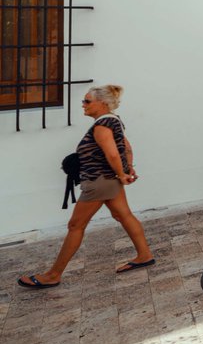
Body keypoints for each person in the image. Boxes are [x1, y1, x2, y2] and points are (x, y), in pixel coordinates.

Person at [18, 85, 155, 289]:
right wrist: (128, 170)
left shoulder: (102, 126)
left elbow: (112, 154)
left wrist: (122, 173)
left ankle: (53, 275)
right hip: (109, 181)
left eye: (87, 101)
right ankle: (144, 255)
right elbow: (126, 147)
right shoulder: (114, 121)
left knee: (76, 226)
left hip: (99, 181)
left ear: (103, 103)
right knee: (123, 215)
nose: (83, 104)